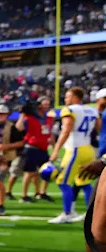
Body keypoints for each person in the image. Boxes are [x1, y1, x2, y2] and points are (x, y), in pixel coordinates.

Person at [47, 86, 100, 224]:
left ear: (76, 97)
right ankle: (91, 212)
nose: (65, 99)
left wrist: (56, 150)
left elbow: (66, 130)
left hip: (75, 149)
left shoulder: (69, 110)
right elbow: (99, 128)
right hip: (88, 148)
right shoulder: (92, 110)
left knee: (62, 182)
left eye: (68, 96)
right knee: (84, 181)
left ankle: (68, 213)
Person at [19, 96, 55, 202]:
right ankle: (24, 195)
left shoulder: (49, 119)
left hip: (43, 148)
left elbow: (50, 134)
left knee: (48, 171)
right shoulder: (29, 118)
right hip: (32, 148)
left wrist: (54, 148)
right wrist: (22, 114)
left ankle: (42, 192)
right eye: (44, 104)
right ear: (38, 105)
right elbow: (19, 127)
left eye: (48, 104)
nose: (46, 106)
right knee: (30, 173)